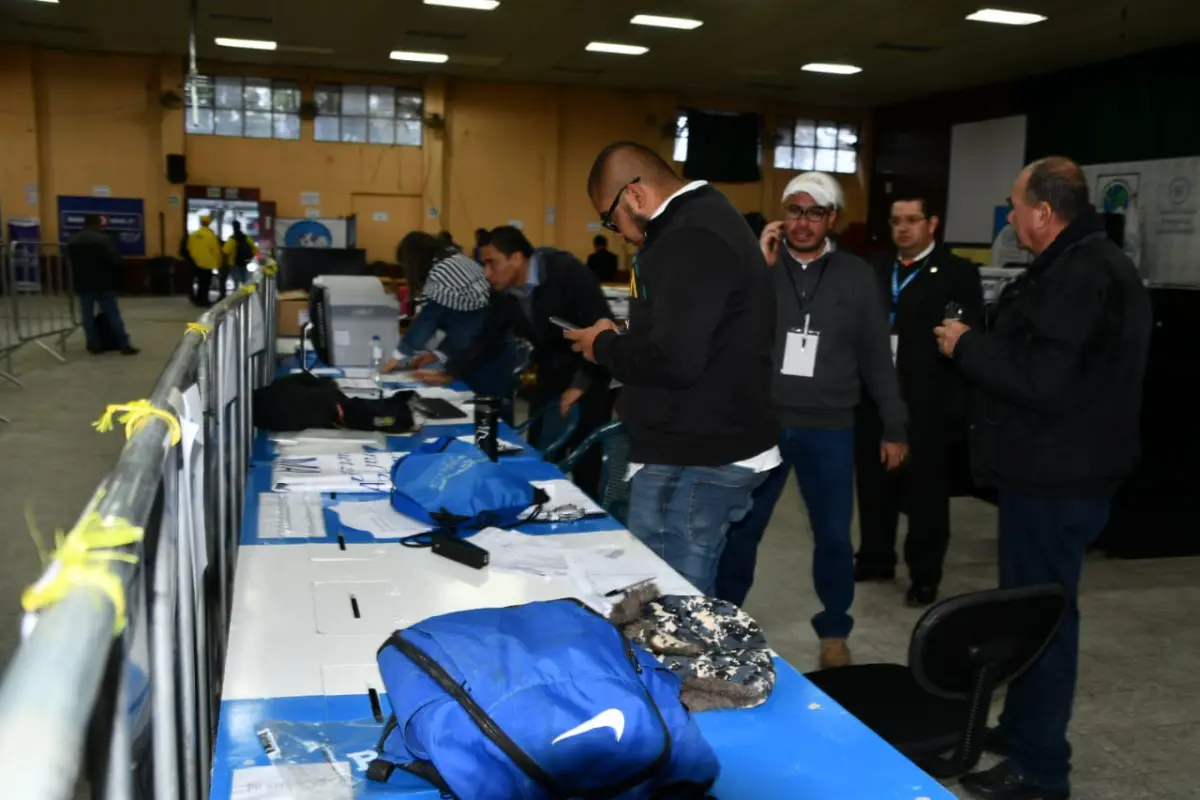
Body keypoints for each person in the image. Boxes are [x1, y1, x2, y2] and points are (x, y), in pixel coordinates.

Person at [938, 158, 1151, 800]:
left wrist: (966, 346)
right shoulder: (1086, 264)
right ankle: (1024, 726)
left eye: (1014, 206)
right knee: (1034, 612)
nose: (1011, 218)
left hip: (1059, 478)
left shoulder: (1081, 275)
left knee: (1046, 620)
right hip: (1061, 470)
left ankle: (1040, 768)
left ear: (1043, 212)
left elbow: (1044, 381)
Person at [564, 141, 778, 595]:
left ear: (635, 196)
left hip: (701, 451)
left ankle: (678, 668)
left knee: (665, 596)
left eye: (609, 217)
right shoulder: (699, 222)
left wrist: (602, 346)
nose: (614, 231)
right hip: (696, 439)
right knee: (665, 590)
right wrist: (621, 330)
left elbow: (675, 361)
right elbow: (696, 325)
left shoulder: (690, 236)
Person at [713, 172, 907, 669]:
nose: (802, 222)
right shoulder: (759, 268)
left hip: (831, 428)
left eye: (814, 212)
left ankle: (835, 630)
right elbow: (725, 332)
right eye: (794, 210)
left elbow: (876, 359)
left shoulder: (857, 276)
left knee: (835, 535)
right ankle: (725, 622)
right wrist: (757, 266)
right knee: (742, 529)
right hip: (764, 425)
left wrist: (894, 425)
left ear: (832, 219)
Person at [853, 192, 983, 607]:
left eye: (912, 220)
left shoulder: (956, 272)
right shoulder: (875, 268)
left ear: (932, 223)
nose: (903, 228)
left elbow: (961, 332)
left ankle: (925, 574)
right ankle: (876, 556)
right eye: (896, 221)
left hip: (927, 400)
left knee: (925, 494)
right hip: (874, 394)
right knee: (873, 484)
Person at [478, 225, 615, 497]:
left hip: (590, 373)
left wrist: (580, 385)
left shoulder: (566, 272)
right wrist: (448, 368)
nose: (487, 273)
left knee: (584, 459)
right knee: (540, 455)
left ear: (516, 258)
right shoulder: (505, 292)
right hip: (551, 373)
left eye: (492, 263)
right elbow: (487, 336)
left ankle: (588, 523)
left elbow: (603, 328)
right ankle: (538, 509)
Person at [383, 231, 519, 409]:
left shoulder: (441, 272)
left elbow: (428, 320)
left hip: (487, 356)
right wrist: (438, 354)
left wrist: (397, 356)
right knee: (488, 415)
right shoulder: (456, 261)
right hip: (487, 350)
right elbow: (458, 320)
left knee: (490, 417)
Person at [65, 215, 138, 356]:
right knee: (113, 315)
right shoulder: (105, 239)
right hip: (105, 283)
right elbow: (116, 260)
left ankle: (93, 345)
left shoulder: (72, 240)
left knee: (87, 315)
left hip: (83, 283)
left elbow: (68, 260)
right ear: (97, 224)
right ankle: (124, 345)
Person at [187, 215, 223, 306]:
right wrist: (219, 263)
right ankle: (204, 301)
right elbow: (216, 250)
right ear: (209, 223)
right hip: (207, 263)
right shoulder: (211, 236)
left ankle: (199, 300)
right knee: (205, 284)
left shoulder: (193, 235)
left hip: (195, 263)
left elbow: (189, 247)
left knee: (199, 283)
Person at [221, 220, 259, 288]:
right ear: (240, 227)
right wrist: (250, 258)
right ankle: (245, 294)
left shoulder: (231, 240)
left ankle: (236, 294)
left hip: (233, 264)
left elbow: (225, 252)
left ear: (233, 228)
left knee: (236, 281)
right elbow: (255, 250)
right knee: (245, 280)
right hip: (245, 262)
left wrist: (224, 263)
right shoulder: (247, 238)